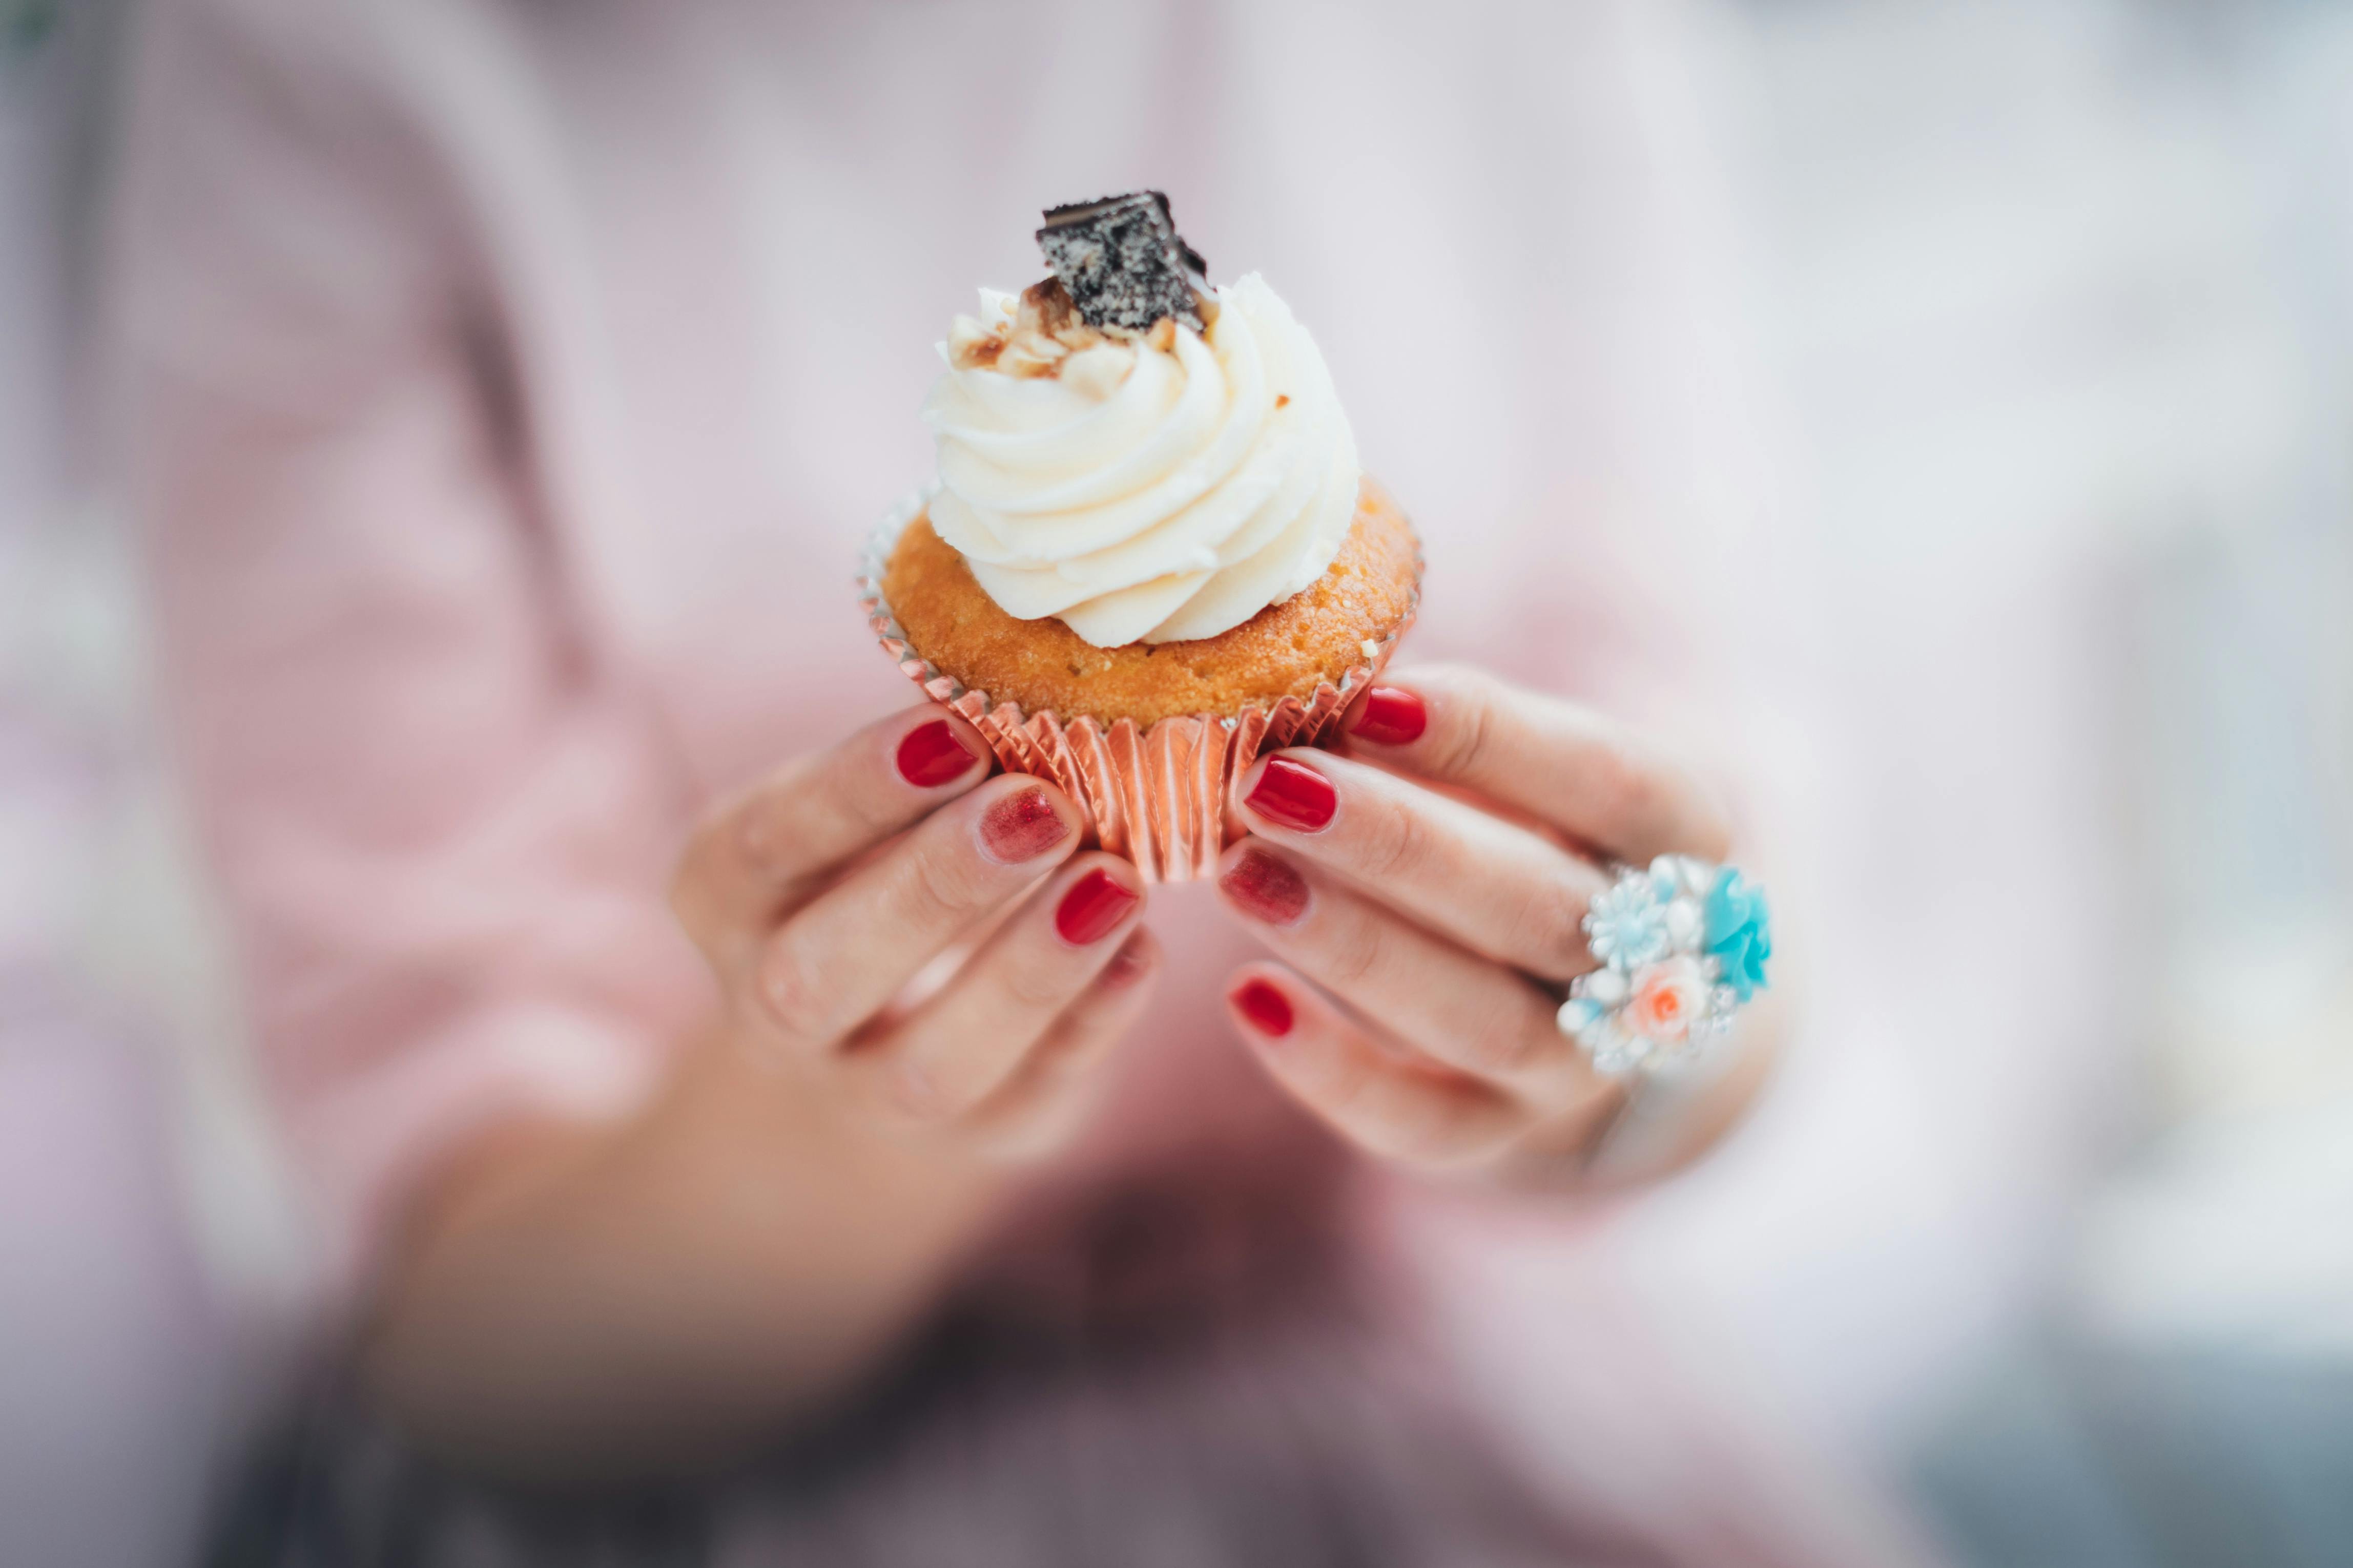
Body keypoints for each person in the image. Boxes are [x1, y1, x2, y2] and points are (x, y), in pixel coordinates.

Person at [114, 0, 1928, 1561]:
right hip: (718, 1480)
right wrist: (845, 1114)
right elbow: (484, 1349)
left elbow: (1748, 918)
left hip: (1450, 1366)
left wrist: (1636, 1028)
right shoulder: (312, 65)